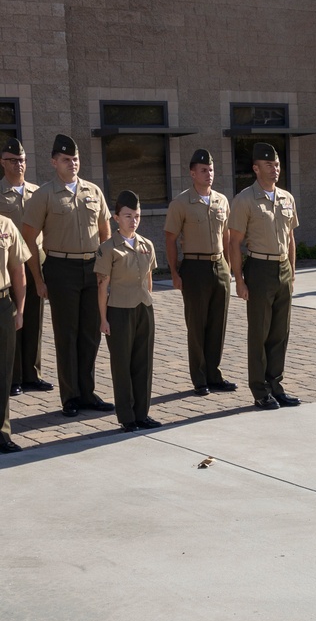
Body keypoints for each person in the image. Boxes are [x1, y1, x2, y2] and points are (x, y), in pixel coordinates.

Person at [21, 134, 115, 417]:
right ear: (54, 162)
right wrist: (38, 279)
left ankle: (87, 392)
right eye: (66, 159)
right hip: (60, 269)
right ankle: (70, 396)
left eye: (75, 159)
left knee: (90, 334)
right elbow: (28, 238)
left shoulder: (93, 192)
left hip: (91, 268)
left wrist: (104, 269)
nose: (72, 163)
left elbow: (105, 232)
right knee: (67, 334)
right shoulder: (44, 195)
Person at [229, 142, 301, 411]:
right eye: (269, 165)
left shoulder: (286, 198)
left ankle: (276, 385)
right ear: (256, 168)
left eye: (278, 164)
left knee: (280, 332)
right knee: (259, 332)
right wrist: (239, 279)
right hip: (258, 268)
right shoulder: (245, 199)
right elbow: (233, 242)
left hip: (282, 269)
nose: (275, 169)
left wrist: (292, 272)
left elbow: (291, 238)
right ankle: (259, 390)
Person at [164, 149, 238, 397]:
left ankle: (214, 374)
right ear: (192, 173)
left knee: (218, 324)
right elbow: (170, 238)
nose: (209, 174)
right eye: (204, 170)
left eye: (211, 170)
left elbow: (227, 236)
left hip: (218, 267)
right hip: (194, 267)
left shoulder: (221, 201)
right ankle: (199, 377)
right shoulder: (181, 203)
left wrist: (228, 267)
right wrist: (174, 272)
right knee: (197, 325)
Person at [95, 191, 160, 433]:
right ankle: (127, 417)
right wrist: (103, 319)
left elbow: (149, 279)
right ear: (116, 218)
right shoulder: (108, 248)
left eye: (137, 216)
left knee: (143, 363)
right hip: (119, 311)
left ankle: (142, 413)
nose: (133, 221)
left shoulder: (147, 245)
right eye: (127, 216)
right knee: (121, 364)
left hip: (143, 308)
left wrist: (148, 302)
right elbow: (103, 286)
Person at [1, 138, 52, 396]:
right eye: (13, 160)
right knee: (12, 322)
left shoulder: (37, 193)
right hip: (9, 266)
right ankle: (14, 377)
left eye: (21, 160)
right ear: (3, 163)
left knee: (34, 318)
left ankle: (33, 374)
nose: (18, 164)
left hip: (36, 262)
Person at [0, 211, 30, 453]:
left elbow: (19, 272)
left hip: (2, 304)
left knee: (3, 372)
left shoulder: (6, 225)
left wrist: (19, 310)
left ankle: (2, 433)